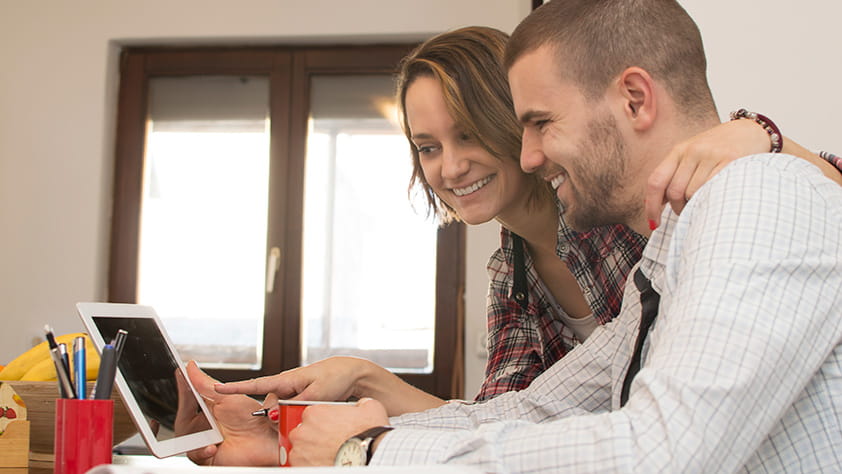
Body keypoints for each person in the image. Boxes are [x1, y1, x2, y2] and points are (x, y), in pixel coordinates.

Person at [240, 1, 841, 470]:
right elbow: (524, 412)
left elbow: (656, 450)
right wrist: (291, 437)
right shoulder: (662, 251)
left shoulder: (751, 193)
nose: (529, 157)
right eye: (427, 148)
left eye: (540, 124)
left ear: (635, 99)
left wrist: (368, 451)